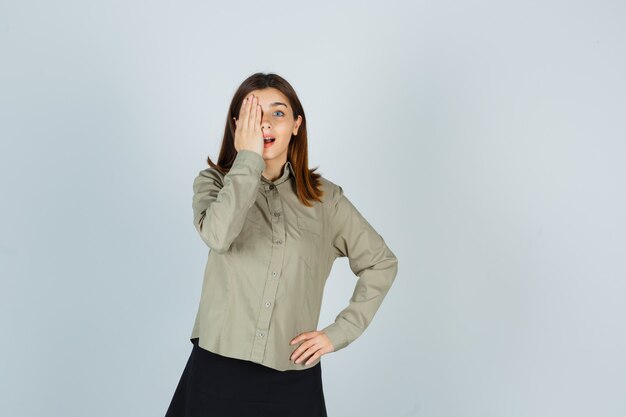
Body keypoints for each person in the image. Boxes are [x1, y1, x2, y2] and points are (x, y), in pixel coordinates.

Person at [164, 72, 398, 417]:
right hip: (218, 372)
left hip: (293, 378)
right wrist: (248, 159)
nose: (266, 124)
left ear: (296, 124)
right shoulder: (213, 183)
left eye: (278, 113)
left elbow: (381, 263)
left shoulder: (326, 200)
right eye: (254, 114)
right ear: (238, 126)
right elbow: (218, 235)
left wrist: (339, 332)